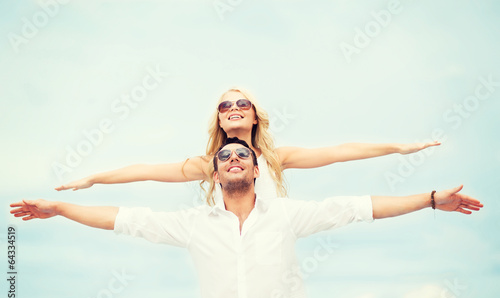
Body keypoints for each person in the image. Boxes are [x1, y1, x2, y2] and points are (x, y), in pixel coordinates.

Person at [11, 138, 482, 298]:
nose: (232, 158)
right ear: (214, 173)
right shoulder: (193, 225)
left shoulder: (288, 216)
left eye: (242, 155)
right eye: (223, 157)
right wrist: (61, 207)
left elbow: (361, 208)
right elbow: (122, 218)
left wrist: (431, 197)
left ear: (258, 169)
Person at [55, 87, 440, 205]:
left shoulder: (276, 159)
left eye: (243, 104)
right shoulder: (208, 164)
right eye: (226, 106)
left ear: (255, 117)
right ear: (220, 120)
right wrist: (93, 179)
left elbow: (343, 150)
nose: (234, 108)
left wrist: (398, 148)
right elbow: (142, 171)